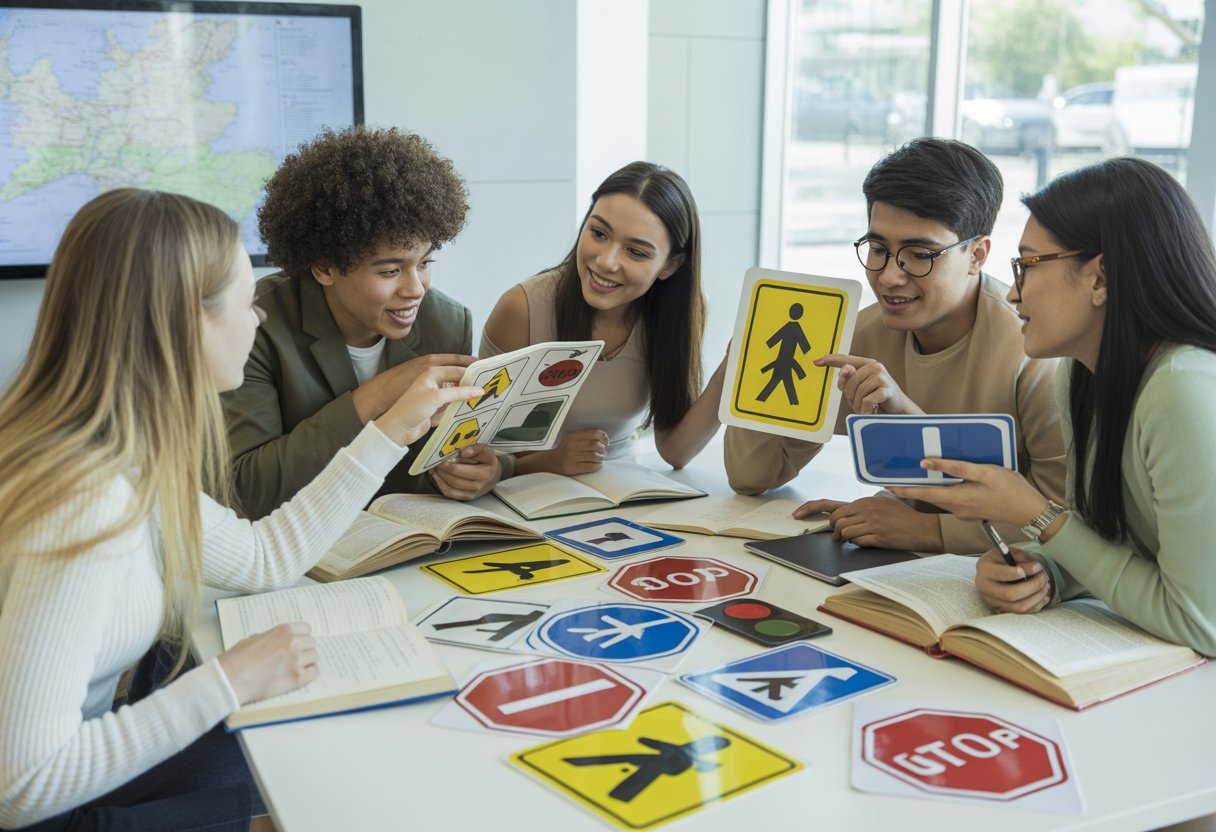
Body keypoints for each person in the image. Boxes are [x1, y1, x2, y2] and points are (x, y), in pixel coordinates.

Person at [0, 188, 481, 830]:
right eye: (244, 301)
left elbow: (262, 558)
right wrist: (228, 680)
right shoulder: (83, 502)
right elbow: (23, 788)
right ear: (182, 320)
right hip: (44, 805)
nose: (258, 320)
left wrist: (391, 431)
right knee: (302, 792)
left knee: (300, 754)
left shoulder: (123, 450)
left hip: (72, 764)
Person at [889, 157, 1216, 657]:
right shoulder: (1081, 372)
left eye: (1028, 265)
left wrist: (1038, 516)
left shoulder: (1182, 392)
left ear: (1100, 278)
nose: (1014, 291)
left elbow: (1199, 621)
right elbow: (1120, 547)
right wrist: (1048, 573)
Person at [724, 138, 1067, 555]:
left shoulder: (1036, 354)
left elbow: (1062, 520)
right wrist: (753, 353)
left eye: (919, 254)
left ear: (977, 255)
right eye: (878, 249)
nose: (889, 277)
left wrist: (927, 531)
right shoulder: (858, 337)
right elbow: (751, 475)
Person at [222, 126, 505, 520]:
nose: (415, 289)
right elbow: (248, 490)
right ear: (324, 267)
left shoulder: (448, 322)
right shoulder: (255, 324)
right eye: (390, 271)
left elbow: (426, 465)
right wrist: (379, 396)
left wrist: (476, 469)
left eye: (424, 263)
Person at [480, 161, 725, 474]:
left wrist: (730, 371)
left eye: (636, 252)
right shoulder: (522, 308)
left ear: (671, 265)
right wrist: (552, 461)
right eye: (598, 233)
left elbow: (676, 451)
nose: (606, 262)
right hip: (521, 493)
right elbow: (484, 448)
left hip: (622, 490)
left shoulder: (679, 313)